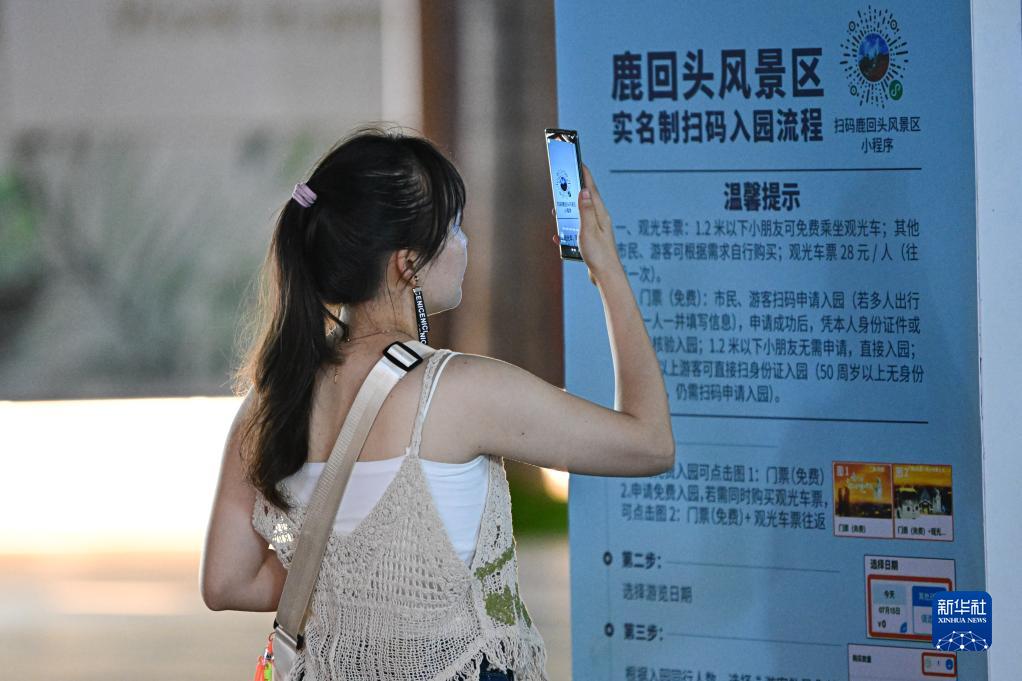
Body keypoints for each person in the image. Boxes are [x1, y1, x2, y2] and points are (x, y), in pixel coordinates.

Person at [199, 124, 675, 680]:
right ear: (408, 263)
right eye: (453, 228)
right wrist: (606, 268)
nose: (464, 244)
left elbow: (227, 582)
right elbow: (649, 443)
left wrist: (353, 583)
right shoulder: (456, 390)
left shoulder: (272, 398)